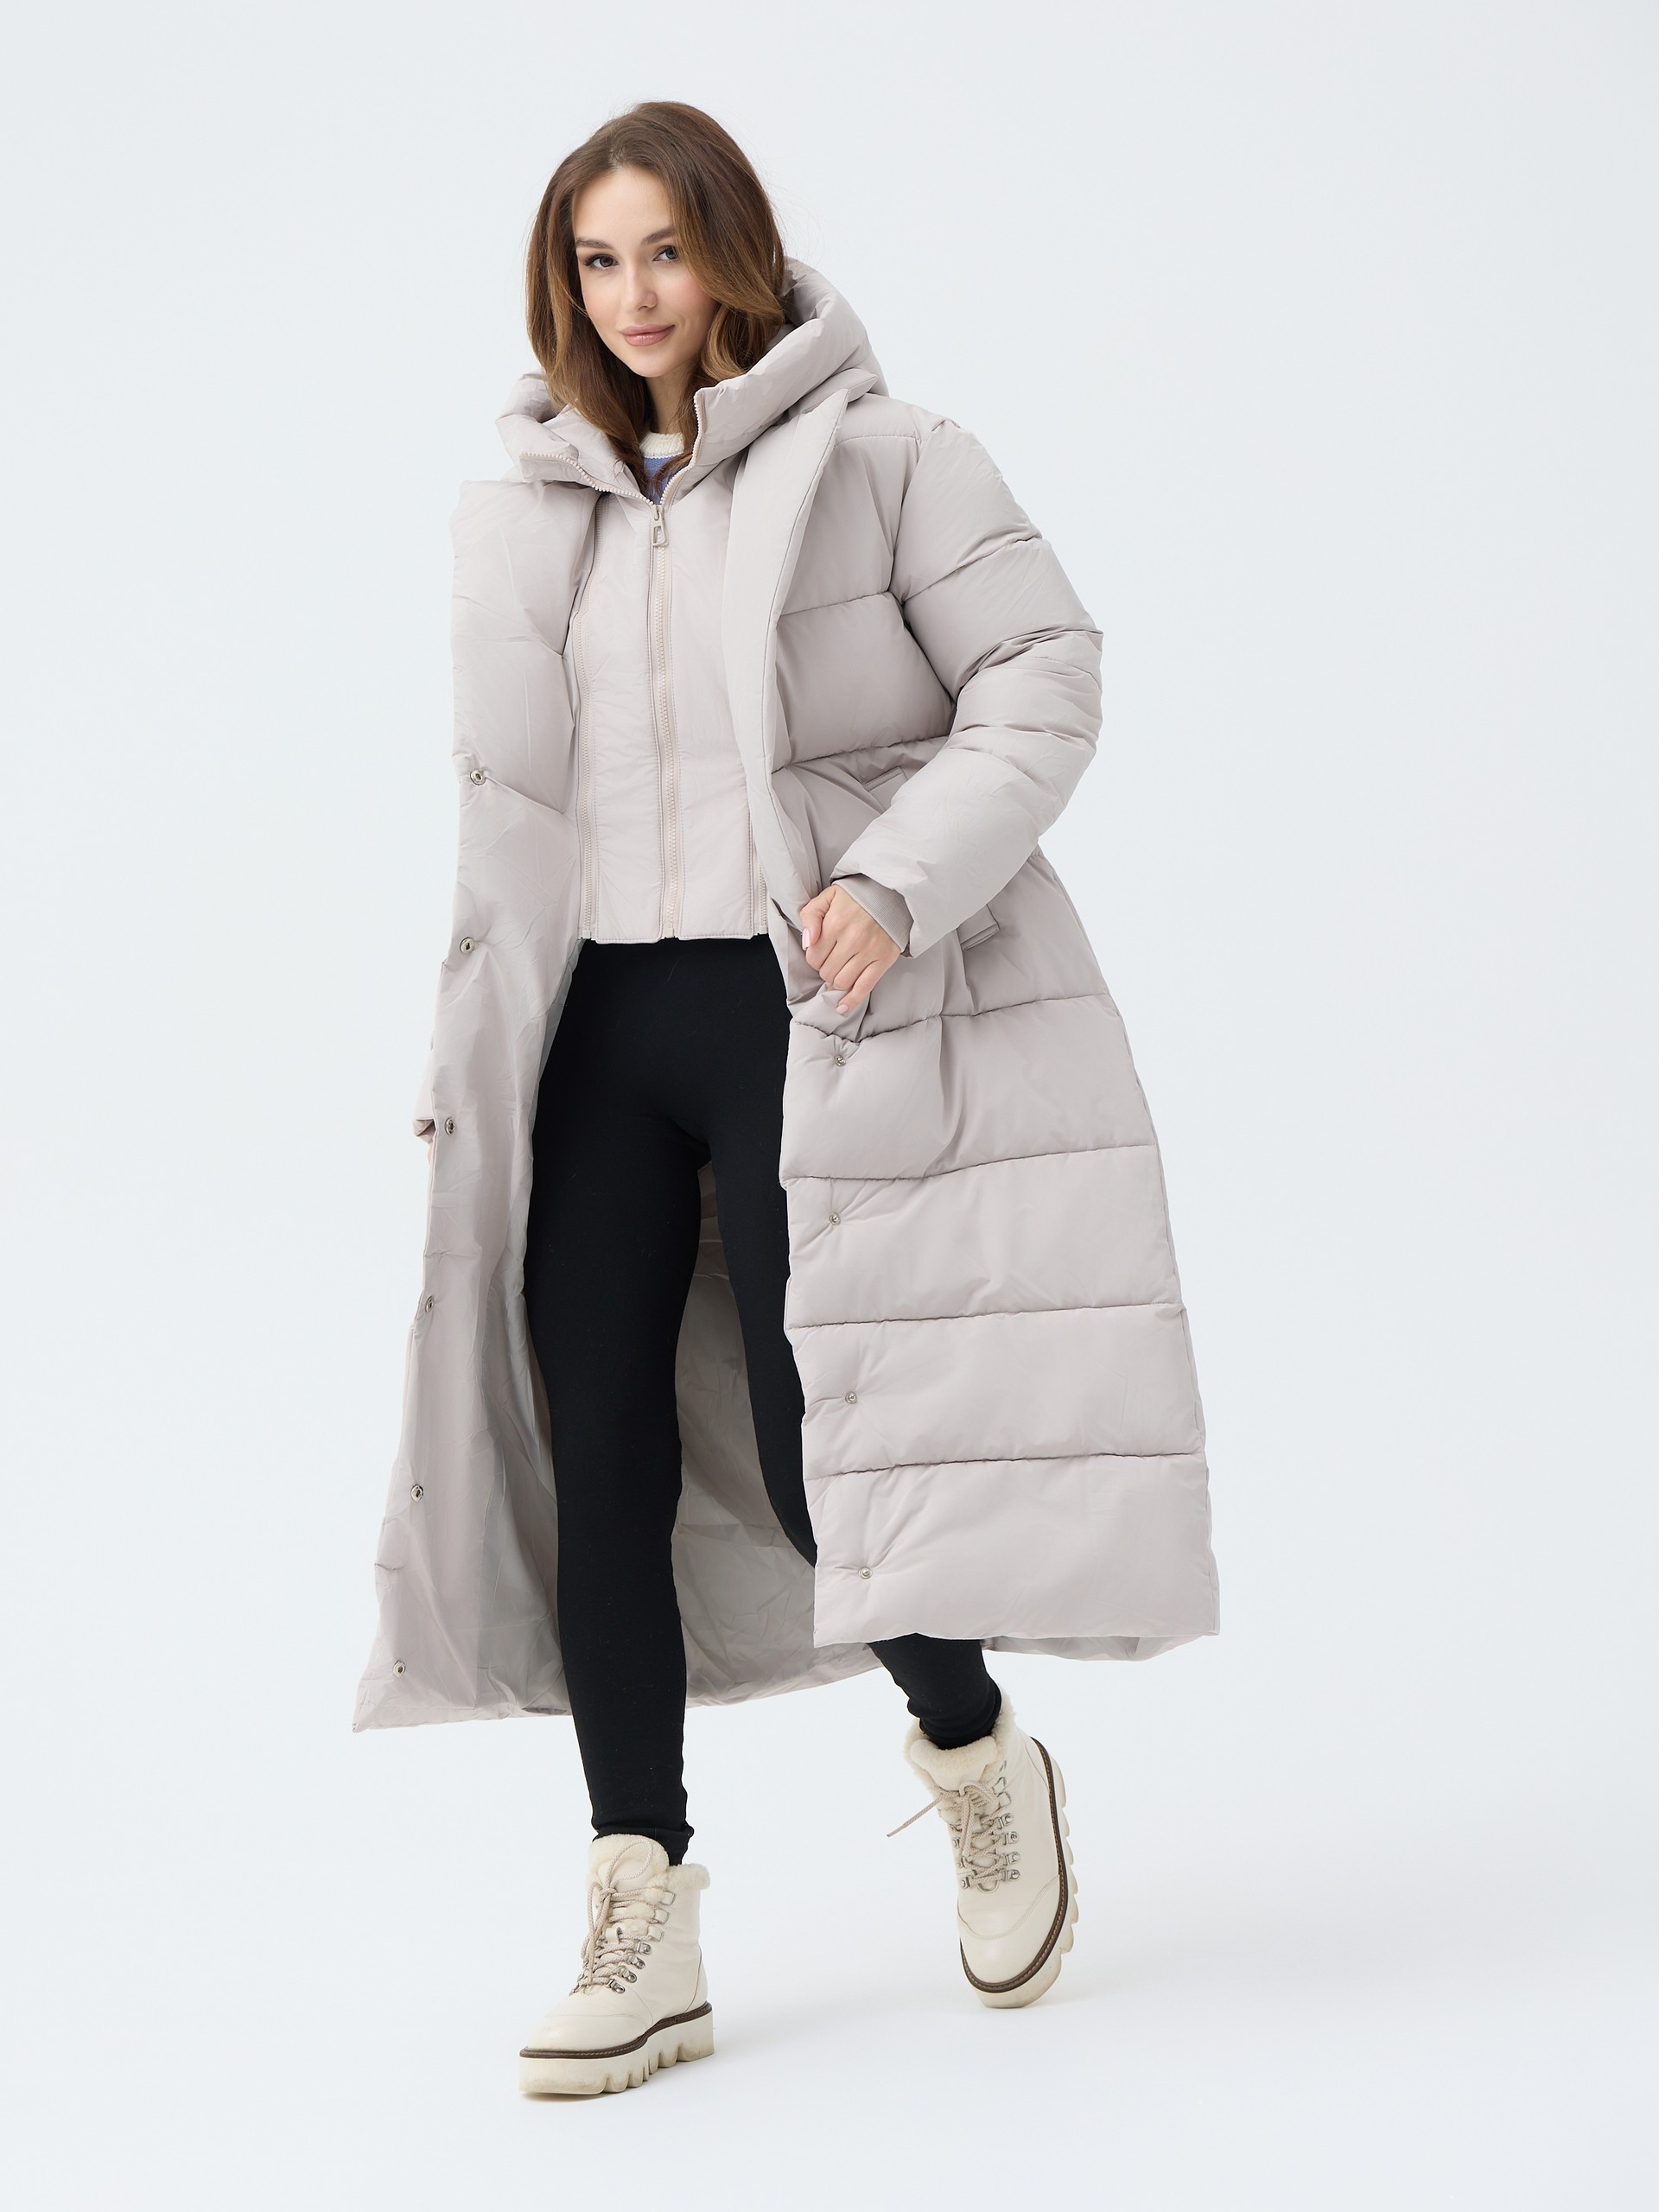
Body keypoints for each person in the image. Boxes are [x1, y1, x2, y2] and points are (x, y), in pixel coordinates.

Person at [355, 100, 1218, 2099]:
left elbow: (1045, 669)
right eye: (596, 261)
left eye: (664, 250)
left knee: (834, 1442)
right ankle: (641, 1895)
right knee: (596, 1454)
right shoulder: (533, 512)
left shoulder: (888, 458)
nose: (633, 295)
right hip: (597, 1030)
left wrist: (895, 880)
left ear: (732, 250)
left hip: (798, 1006)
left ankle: (975, 1753)